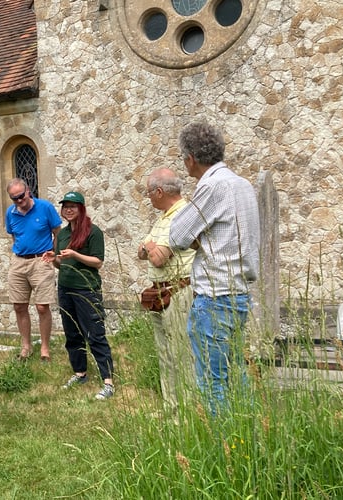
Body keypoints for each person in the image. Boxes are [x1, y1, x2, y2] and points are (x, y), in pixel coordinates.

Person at [169, 122, 260, 414]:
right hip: (239, 293)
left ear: (190, 158)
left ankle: (224, 450)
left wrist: (198, 239)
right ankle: (248, 437)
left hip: (215, 297)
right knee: (236, 373)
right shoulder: (242, 184)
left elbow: (178, 236)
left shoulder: (211, 186)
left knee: (213, 381)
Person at [44, 191, 115, 400]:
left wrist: (75, 254)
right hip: (65, 288)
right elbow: (60, 263)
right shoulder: (62, 234)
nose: (68, 209)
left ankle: (108, 381)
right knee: (72, 333)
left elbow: (98, 262)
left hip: (86, 289)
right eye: (65, 206)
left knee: (94, 333)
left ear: (81, 208)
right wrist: (53, 258)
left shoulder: (93, 232)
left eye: (73, 206)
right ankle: (80, 373)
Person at [139, 168, 197, 413]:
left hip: (178, 291)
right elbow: (142, 252)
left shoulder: (183, 215)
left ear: (159, 192)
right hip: (159, 293)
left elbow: (159, 258)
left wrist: (150, 247)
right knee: (165, 354)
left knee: (181, 354)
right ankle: (170, 408)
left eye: (149, 193)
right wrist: (150, 248)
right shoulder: (163, 217)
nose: (149, 198)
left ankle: (186, 412)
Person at [5, 178, 62, 361]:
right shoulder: (10, 213)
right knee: (19, 305)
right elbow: (14, 236)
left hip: (41, 260)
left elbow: (58, 232)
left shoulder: (45, 207)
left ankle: (45, 348)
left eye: (21, 196)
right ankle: (26, 346)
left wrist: (53, 252)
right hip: (19, 261)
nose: (19, 201)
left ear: (28, 191)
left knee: (42, 307)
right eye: (14, 198)